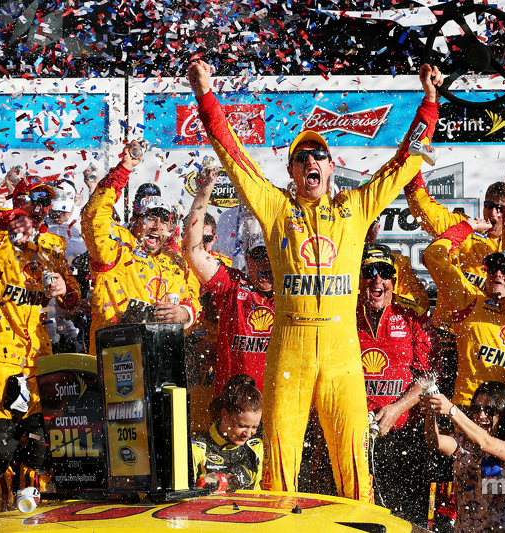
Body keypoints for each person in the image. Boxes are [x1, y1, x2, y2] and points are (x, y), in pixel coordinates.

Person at [187, 59, 442, 502]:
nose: (310, 161)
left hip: (343, 360)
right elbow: (233, 154)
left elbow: (406, 161)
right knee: (279, 463)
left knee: (353, 461)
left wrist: (431, 100)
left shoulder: (356, 207)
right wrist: (205, 94)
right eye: (301, 157)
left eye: (318, 156)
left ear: (331, 166)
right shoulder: (276, 208)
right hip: (289, 355)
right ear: (290, 172)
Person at [0, 176, 80, 514]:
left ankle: (31, 514)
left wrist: (63, 289)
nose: (35, 214)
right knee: (0, 447)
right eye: (26, 205)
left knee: (40, 446)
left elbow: (73, 298)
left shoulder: (51, 248)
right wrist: (15, 216)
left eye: (40, 208)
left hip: (37, 359)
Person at [81, 143, 200, 355]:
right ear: (135, 221)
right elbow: (94, 217)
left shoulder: (174, 262)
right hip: (114, 357)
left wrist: (183, 314)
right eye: (150, 218)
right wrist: (124, 169)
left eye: (164, 221)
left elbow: (191, 298)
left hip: (161, 360)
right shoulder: (116, 247)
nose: (157, 226)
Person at [357, 243, 439, 526]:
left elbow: (430, 375)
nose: (377, 279)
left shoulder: (413, 315)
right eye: (369, 272)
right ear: (358, 277)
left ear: (394, 280)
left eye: (385, 272)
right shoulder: (342, 313)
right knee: (356, 519)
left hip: (404, 436)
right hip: (355, 435)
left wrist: (396, 408)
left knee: (407, 520)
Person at [422, 222, 505, 405]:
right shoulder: (469, 301)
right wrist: (467, 227)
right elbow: (433, 256)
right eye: (492, 269)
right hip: (470, 409)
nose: (498, 274)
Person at [183, 164, 273, 395]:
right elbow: (193, 250)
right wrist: (203, 192)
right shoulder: (232, 284)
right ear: (246, 257)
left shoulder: (293, 293)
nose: (265, 264)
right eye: (258, 255)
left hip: (279, 411)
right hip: (230, 411)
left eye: (271, 257)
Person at [422, 380, 505, 533]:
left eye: (489, 410)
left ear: (504, 413)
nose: (481, 415)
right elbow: (435, 442)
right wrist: (430, 412)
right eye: (476, 409)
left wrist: (452, 410)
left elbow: (485, 442)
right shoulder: (463, 442)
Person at [191, 374, 263, 490]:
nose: (248, 434)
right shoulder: (198, 448)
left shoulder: (258, 447)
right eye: (242, 426)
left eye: (255, 427)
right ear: (224, 415)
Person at [364, 218, 429, 315]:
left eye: (369, 225)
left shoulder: (398, 262)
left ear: (378, 227)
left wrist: (385, 305)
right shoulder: (336, 262)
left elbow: (419, 302)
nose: (362, 231)